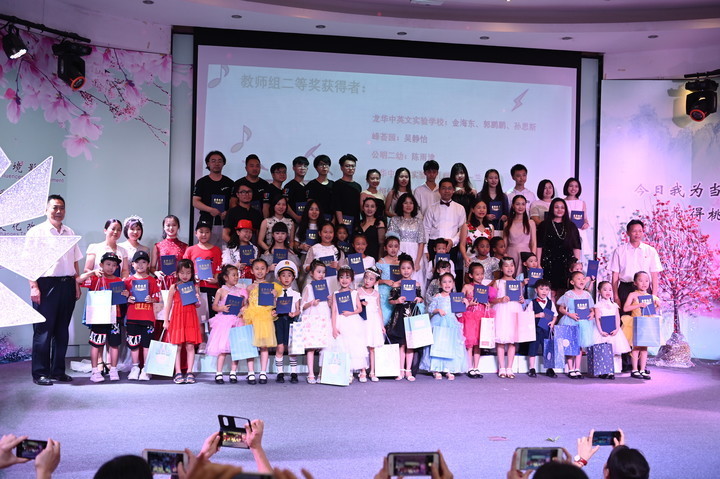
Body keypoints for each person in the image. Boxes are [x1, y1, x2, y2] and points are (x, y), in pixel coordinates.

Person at [27, 195, 83, 386]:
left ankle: (58, 371)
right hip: (45, 285)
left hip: (67, 285)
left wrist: (76, 283)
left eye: (62, 208)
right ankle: (40, 373)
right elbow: (29, 262)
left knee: (61, 331)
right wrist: (33, 286)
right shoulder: (36, 232)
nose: (59, 211)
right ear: (46, 210)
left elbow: (74, 261)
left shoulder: (69, 232)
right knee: (43, 331)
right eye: (55, 207)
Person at [77, 252, 127, 382]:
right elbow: (78, 280)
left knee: (114, 344)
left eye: (114, 265)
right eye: (108, 264)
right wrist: (92, 272)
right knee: (96, 343)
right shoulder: (95, 278)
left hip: (114, 317)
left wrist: (126, 294)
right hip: (98, 317)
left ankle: (113, 369)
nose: (111, 267)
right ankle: (95, 371)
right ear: (101, 265)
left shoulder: (119, 281)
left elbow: (124, 297)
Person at [420, 272, 468, 379]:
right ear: (440, 284)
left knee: (450, 345)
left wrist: (465, 304)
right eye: (444, 282)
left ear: (453, 283)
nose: (447, 284)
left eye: (450, 282)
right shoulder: (438, 296)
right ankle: (436, 368)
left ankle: (448, 368)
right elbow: (430, 309)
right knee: (438, 344)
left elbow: (458, 313)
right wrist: (438, 310)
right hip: (439, 322)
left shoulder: (456, 297)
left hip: (451, 323)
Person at [162, 259, 203, 384]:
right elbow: (168, 305)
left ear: (192, 273)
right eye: (182, 272)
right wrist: (166, 320)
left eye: (188, 273)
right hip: (177, 319)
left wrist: (197, 299)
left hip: (190, 318)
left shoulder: (194, 287)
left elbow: (198, 305)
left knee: (190, 345)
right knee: (177, 346)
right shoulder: (174, 287)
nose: (185, 275)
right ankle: (178, 372)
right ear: (177, 273)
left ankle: (190, 371)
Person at [609, 219, 663, 311]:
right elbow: (615, 276)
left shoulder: (650, 250)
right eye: (634, 231)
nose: (637, 234)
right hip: (625, 288)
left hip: (645, 290)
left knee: (645, 318)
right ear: (628, 233)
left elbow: (654, 276)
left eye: (640, 231)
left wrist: (654, 296)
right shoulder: (619, 251)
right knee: (625, 318)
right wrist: (616, 297)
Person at [244, 258, 282, 384]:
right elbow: (247, 303)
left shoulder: (272, 287)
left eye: (262, 269)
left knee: (264, 346)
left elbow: (275, 303)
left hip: (264, 318)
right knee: (250, 345)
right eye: (257, 269)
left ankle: (263, 372)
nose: (259, 271)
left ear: (267, 270)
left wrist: (274, 296)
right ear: (252, 271)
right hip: (251, 317)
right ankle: (250, 372)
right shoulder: (249, 287)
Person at [124, 250, 161, 380]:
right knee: (133, 344)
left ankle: (146, 368)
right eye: (137, 262)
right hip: (132, 318)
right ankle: (135, 367)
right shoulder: (128, 281)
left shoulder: (152, 280)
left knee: (146, 344)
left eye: (144, 262)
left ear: (148, 264)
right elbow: (122, 297)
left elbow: (157, 297)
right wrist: (127, 298)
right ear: (132, 264)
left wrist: (152, 299)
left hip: (147, 318)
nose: (140, 265)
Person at [387, 253, 424, 381]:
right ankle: (400, 370)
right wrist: (397, 301)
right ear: (399, 270)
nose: (406, 271)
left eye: (408, 268)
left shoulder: (417, 284)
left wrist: (419, 299)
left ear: (413, 269)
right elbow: (390, 300)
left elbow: (421, 298)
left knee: (411, 344)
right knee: (401, 344)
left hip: (412, 315)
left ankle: (408, 370)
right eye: (403, 268)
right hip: (400, 316)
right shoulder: (396, 284)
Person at [423, 178, 466, 288]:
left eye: (449, 188)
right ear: (439, 190)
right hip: (434, 246)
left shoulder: (460, 208)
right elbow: (426, 229)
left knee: (450, 275)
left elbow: (462, 229)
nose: (447, 191)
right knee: (432, 274)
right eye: (444, 188)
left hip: (451, 246)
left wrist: (453, 241)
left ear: (453, 190)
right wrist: (425, 250)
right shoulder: (431, 208)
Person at [208, 264, 247, 384]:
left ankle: (233, 372)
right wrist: (222, 308)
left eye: (237, 275)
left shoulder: (240, 291)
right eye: (233, 275)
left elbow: (243, 305)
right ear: (225, 277)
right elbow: (214, 306)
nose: (236, 277)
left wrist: (243, 309)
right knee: (222, 348)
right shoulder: (221, 290)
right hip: (224, 322)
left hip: (237, 321)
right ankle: (219, 373)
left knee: (236, 348)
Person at [537, 198, 581, 298]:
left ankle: (562, 309)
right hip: (548, 263)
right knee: (550, 292)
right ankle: (552, 309)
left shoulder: (571, 226)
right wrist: (538, 264)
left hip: (567, 263)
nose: (559, 210)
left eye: (562, 207)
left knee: (564, 292)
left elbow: (577, 246)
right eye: (556, 207)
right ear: (552, 209)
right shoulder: (544, 225)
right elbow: (539, 246)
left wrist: (576, 264)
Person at [331, 266, 369, 382]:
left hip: (352, 321)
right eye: (342, 277)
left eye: (347, 277)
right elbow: (334, 311)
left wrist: (350, 313)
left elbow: (359, 309)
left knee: (356, 345)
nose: (344, 280)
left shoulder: (354, 293)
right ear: (338, 279)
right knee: (343, 346)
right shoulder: (335, 293)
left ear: (351, 279)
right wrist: (334, 328)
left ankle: (362, 370)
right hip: (340, 321)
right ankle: (348, 370)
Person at [556, 271, 596, 379]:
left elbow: (591, 308)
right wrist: (570, 314)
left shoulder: (587, 294)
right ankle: (570, 369)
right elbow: (561, 308)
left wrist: (592, 313)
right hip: (570, 320)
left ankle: (577, 368)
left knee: (579, 346)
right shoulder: (568, 294)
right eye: (578, 279)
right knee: (570, 345)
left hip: (583, 323)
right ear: (572, 282)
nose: (582, 280)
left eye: (583, 278)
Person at [623, 271, 661, 380]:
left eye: (646, 281)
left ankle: (642, 369)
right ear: (635, 283)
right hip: (636, 323)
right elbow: (625, 308)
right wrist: (639, 305)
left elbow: (652, 311)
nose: (644, 283)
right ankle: (634, 369)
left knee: (644, 348)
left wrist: (657, 306)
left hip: (646, 324)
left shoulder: (651, 297)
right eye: (640, 280)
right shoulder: (633, 295)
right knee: (636, 347)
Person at [300, 260, 333, 383]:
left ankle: (321, 372)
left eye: (323, 272)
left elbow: (329, 305)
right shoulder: (308, 287)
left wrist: (330, 301)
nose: (321, 275)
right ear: (312, 273)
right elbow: (302, 305)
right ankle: (311, 373)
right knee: (311, 346)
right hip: (312, 317)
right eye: (319, 272)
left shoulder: (326, 286)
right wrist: (311, 303)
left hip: (324, 316)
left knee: (324, 346)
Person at [192, 150, 234, 246]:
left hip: (225, 224)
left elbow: (233, 203)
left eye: (219, 161)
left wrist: (228, 212)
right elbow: (195, 202)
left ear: (223, 163)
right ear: (208, 163)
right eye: (213, 161)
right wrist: (210, 210)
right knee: (206, 251)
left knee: (225, 251)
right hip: (206, 223)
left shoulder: (230, 183)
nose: (217, 164)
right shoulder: (201, 182)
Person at [490, 257, 523, 378]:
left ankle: (510, 367)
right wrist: (501, 299)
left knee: (512, 341)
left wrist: (521, 300)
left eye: (512, 265)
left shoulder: (517, 283)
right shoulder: (498, 282)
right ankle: (502, 367)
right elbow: (491, 299)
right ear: (501, 268)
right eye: (506, 266)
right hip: (502, 311)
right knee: (501, 340)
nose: (509, 268)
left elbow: (520, 298)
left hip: (514, 310)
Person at [593, 281, 631, 379]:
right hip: (602, 331)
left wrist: (617, 329)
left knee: (612, 351)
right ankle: (602, 370)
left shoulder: (614, 305)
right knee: (603, 351)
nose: (608, 292)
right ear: (599, 291)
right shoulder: (598, 305)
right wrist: (601, 331)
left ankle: (610, 370)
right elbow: (597, 319)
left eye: (610, 289)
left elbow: (617, 318)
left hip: (613, 331)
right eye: (605, 289)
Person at [387, 193, 426, 289]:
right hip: (399, 251)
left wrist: (417, 262)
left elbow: (421, 242)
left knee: (415, 278)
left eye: (411, 203)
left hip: (415, 253)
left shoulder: (418, 221)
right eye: (405, 203)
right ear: (401, 204)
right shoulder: (394, 220)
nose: (408, 205)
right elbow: (391, 241)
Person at [184, 219, 222, 316]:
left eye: (207, 232)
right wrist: (192, 277)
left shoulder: (216, 250)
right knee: (195, 316)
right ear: (195, 233)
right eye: (201, 232)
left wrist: (216, 280)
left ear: (211, 234)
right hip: (194, 288)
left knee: (212, 316)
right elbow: (184, 268)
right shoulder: (190, 250)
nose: (204, 235)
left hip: (211, 287)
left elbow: (219, 268)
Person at [460, 263, 492, 378]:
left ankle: (476, 367)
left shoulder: (484, 288)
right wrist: (469, 303)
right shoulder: (467, 287)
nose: (480, 276)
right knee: (470, 343)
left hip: (481, 317)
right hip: (469, 317)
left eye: (482, 274)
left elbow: (487, 301)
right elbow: (459, 303)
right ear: (471, 275)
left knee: (478, 343)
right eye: (477, 274)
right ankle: (469, 367)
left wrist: (488, 305)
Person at [272, 260, 302, 384]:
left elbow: (298, 309)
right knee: (280, 347)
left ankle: (293, 372)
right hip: (279, 321)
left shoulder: (296, 294)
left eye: (289, 275)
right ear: (279, 278)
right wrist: (273, 310)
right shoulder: (276, 293)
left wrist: (294, 313)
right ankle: (280, 372)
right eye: (283, 275)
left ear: (293, 278)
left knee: (291, 348)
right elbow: (272, 307)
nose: (286, 278)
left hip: (291, 321)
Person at [358, 267, 385, 381]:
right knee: (362, 345)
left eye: (371, 279)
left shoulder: (376, 294)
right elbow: (354, 306)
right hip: (363, 320)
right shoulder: (358, 291)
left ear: (375, 281)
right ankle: (363, 370)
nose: (367, 281)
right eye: (366, 278)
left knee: (372, 347)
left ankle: (372, 371)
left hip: (373, 321)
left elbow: (379, 309)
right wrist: (361, 304)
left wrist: (382, 325)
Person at [527, 279, 557, 378]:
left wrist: (553, 322)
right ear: (536, 290)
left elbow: (555, 315)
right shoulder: (532, 303)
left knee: (548, 348)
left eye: (546, 289)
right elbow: (526, 316)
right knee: (533, 348)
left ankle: (549, 368)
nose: (544, 291)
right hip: (535, 330)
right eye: (541, 289)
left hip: (546, 330)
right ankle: (532, 368)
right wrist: (537, 315)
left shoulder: (550, 303)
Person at [303, 222, 345, 293]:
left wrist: (337, 267)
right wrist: (314, 267)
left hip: (333, 283)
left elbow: (344, 270)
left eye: (331, 232)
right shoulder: (314, 248)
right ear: (320, 233)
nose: (328, 235)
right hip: (317, 283)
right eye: (325, 232)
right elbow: (305, 267)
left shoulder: (337, 251)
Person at [260, 222, 302, 288]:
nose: (280, 236)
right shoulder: (268, 253)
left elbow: (298, 270)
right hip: (271, 281)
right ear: (273, 235)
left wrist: (292, 267)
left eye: (283, 233)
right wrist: (269, 268)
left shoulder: (290, 252)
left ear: (286, 235)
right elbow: (260, 269)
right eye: (277, 233)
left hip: (288, 283)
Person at [151, 215, 188, 287]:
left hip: (179, 281)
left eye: (174, 225)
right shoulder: (158, 246)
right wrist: (156, 273)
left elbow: (187, 267)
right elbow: (152, 267)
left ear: (178, 227)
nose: (171, 228)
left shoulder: (185, 246)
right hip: (162, 281)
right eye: (168, 225)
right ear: (164, 227)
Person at [459, 198, 494, 271]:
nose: (482, 210)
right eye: (479, 207)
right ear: (473, 210)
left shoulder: (490, 227)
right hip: (470, 259)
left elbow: (492, 245)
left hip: (487, 261)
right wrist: (465, 257)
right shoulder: (467, 226)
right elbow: (462, 244)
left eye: (484, 207)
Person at [503, 195, 536, 271]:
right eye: (517, 204)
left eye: (523, 204)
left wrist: (532, 258)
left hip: (526, 254)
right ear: (513, 206)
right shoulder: (507, 223)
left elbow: (533, 243)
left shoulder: (531, 223)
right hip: (511, 253)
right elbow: (505, 243)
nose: (520, 207)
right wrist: (505, 255)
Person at [563, 177, 593, 260]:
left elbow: (585, 218)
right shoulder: (562, 202)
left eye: (576, 186)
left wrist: (586, 223)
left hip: (579, 232)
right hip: (566, 231)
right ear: (566, 187)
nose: (573, 188)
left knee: (579, 258)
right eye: (571, 186)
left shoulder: (582, 203)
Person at [332, 153, 362, 230]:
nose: (350, 168)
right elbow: (337, 206)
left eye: (353, 166)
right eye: (347, 166)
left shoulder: (358, 186)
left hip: (355, 223)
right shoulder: (337, 184)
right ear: (341, 168)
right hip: (341, 222)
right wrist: (341, 224)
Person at [377, 235, 401, 324]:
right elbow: (374, 280)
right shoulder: (381, 262)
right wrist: (384, 281)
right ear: (385, 248)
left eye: (396, 246)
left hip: (399, 291)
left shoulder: (401, 261)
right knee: (385, 317)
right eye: (390, 246)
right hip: (385, 292)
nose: (393, 249)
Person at [357, 197, 386, 261]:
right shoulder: (359, 223)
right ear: (363, 208)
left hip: (373, 258)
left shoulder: (379, 223)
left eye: (372, 206)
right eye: (367, 206)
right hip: (358, 258)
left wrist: (380, 260)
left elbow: (381, 244)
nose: (369, 209)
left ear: (376, 209)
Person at [283, 156, 310, 223]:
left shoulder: (307, 187)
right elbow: (284, 203)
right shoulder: (289, 186)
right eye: (299, 166)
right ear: (294, 168)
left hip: (304, 221)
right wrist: (296, 217)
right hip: (291, 221)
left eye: (305, 166)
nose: (302, 168)